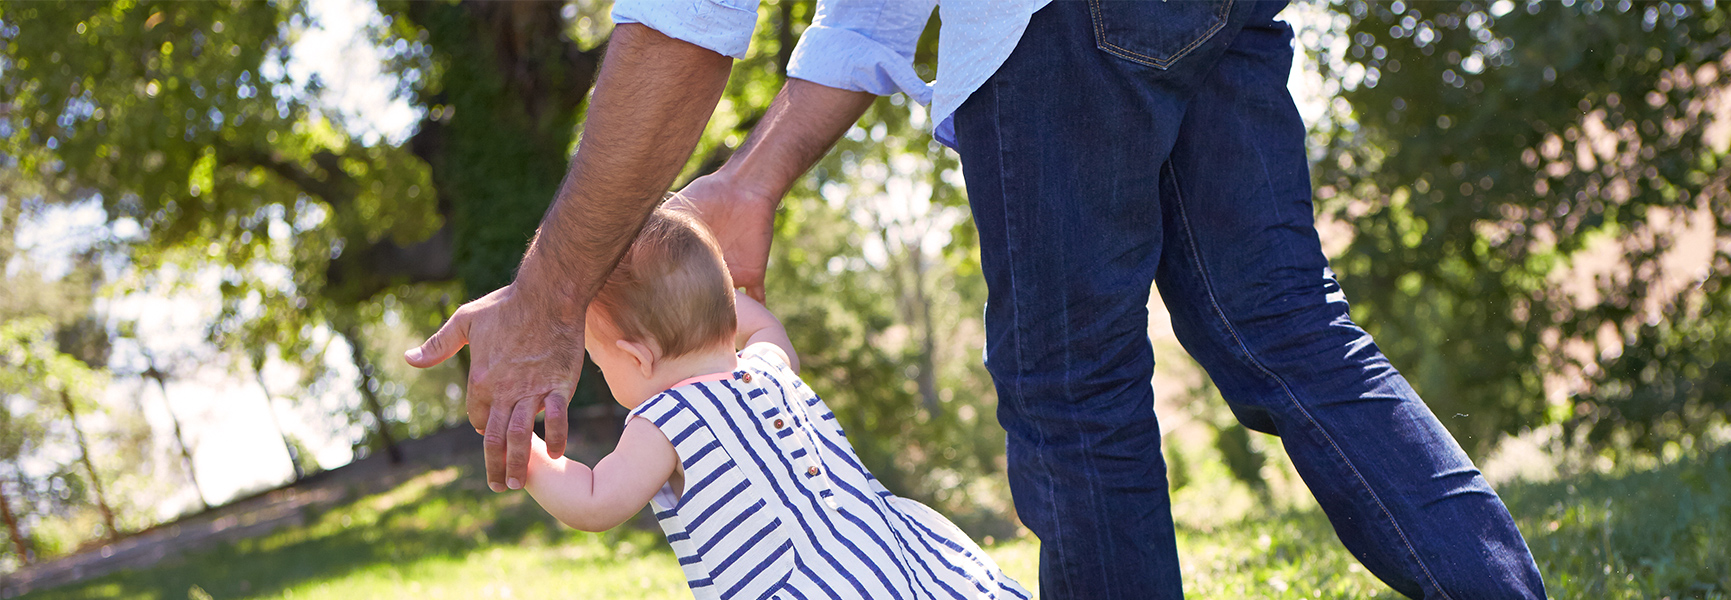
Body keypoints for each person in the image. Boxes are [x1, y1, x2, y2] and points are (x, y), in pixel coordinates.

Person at [409, 0, 1548, 598]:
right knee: (1291, 330)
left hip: (1059, 20)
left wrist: (552, 298)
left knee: (1076, 396)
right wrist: (751, 182)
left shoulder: (668, 416)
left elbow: (686, 20)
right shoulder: (755, 373)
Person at [519, 208, 1029, 599]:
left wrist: (520, 444)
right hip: (882, 556)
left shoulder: (666, 418)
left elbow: (595, 500)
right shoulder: (768, 366)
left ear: (637, 358)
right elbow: (764, 325)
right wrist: (711, 300)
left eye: (600, 362)